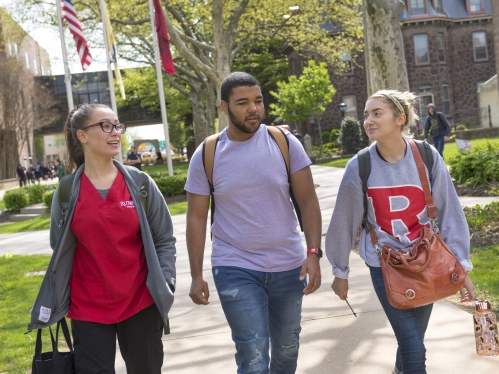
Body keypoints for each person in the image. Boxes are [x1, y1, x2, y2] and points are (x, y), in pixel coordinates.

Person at [326, 90, 475, 374]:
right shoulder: (359, 166)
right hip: (385, 266)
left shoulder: (427, 156)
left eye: (377, 113)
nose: (368, 120)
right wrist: (340, 271)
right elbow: (344, 221)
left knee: (411, 342)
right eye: (366, 114)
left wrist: (462, 265)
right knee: (414, 347)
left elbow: (450, 213)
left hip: (427, 262)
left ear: (400, 119)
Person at [185, 72, 322, 374]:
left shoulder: (284, 143)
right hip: (234, 265)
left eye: (258, 101)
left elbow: (308, 201)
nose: (254, 109)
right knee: (253, 352)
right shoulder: (207, 153)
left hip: (288, 265)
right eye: (243, 103)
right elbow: (196, 217)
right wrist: (196, 274)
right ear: (224, 107)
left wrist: (313, 253)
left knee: (287, 347)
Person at [29, 103, 176, 373]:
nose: (116, 132)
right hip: (88, 305)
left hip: (141, 300)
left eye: (117, 125)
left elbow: (164, 238)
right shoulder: (66, 192)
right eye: (105, 126)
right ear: (82, 135)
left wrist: (165, 281)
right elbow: (58, 245)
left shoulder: (140, 183)